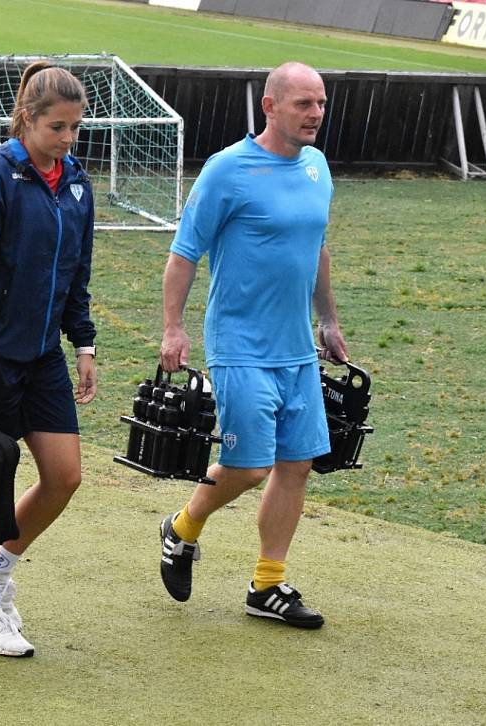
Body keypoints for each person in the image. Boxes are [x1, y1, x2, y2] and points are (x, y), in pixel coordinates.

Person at [158, 62, 348, 629]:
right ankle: (182, 528)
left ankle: (267, 585)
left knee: (296, 464)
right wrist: (174, 327)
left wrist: (329, 321)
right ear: (269, 107)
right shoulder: (227, 171)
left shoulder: (317, 168)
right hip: (239, 344)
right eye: (303, 104)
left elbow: (317, 249)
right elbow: (184, 253)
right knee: (248, 466)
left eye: (319, 103)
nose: (315, 114)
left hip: (295, 350)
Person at [0, 60, 97, 657]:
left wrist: (82, 343)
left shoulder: (77, 183)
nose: (67, 139)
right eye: (57, 127)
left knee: (64, 477)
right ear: (26, 119)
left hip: (43, 359)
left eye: (75, 128)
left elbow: (76, 275)